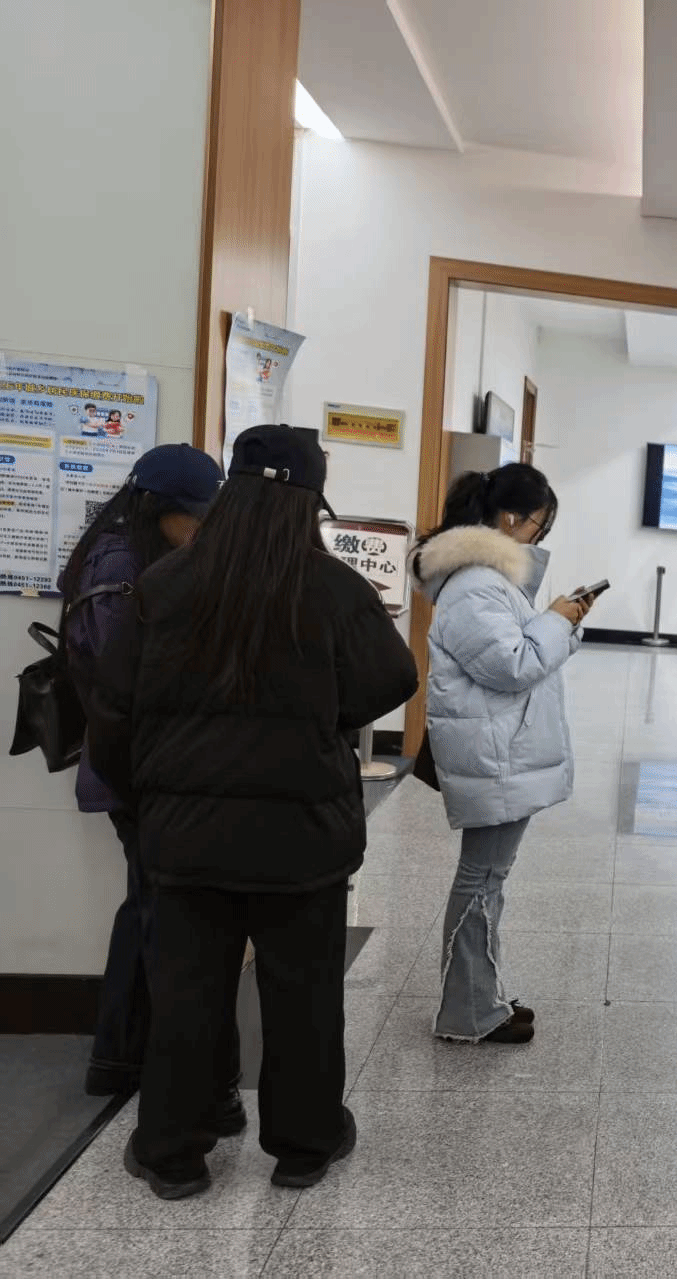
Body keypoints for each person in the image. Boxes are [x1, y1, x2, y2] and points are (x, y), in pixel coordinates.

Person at [86, 425, 418, 1200]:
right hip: (303, 840)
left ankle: (173, 1153)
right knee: (304, 996)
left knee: (187, 995)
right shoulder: (334, 589)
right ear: (309, 501)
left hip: (187, 839)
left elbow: (113, 713)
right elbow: (393, 678)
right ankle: (304, 1144)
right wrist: (325, 717)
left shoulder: (165, 585)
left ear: (231, 489)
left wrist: (150, 802)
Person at [410, 463, 594, 1046]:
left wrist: (559, 621)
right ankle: (468, 1012)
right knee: (481, 878)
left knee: (488, 877)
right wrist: (557, 620)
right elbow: (512, 665)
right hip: (495, 754)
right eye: (539, 524)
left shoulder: (486, 580)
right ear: (511, 519)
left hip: (501, 747)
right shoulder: (475, 584)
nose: (540, 537)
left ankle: (480, 995)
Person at [62, 444, 224, 1101]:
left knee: (150, 902)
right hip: (136, 769)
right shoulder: (121, 569)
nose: (203, 529)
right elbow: (127, 684)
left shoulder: (131, 555)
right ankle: (123, 1055)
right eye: (197, 517)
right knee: (155, 908)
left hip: (143, 764)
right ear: (159, 508)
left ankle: (123, 1055)